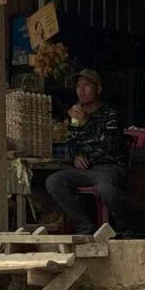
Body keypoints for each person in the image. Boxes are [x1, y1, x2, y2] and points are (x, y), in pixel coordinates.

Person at [49, 68, 127, 233]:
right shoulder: (76, 115)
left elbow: (111, 145)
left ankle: (125, 228)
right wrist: (76, 155)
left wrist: (87, 123)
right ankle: (84, 225)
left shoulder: (110, 114)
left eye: (86, 85)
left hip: (109, 168)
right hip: (85, 171)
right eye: (78, 86)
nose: (81, 90)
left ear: (98, 89)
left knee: (106, 189)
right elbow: (71, 141)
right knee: (54, 182)